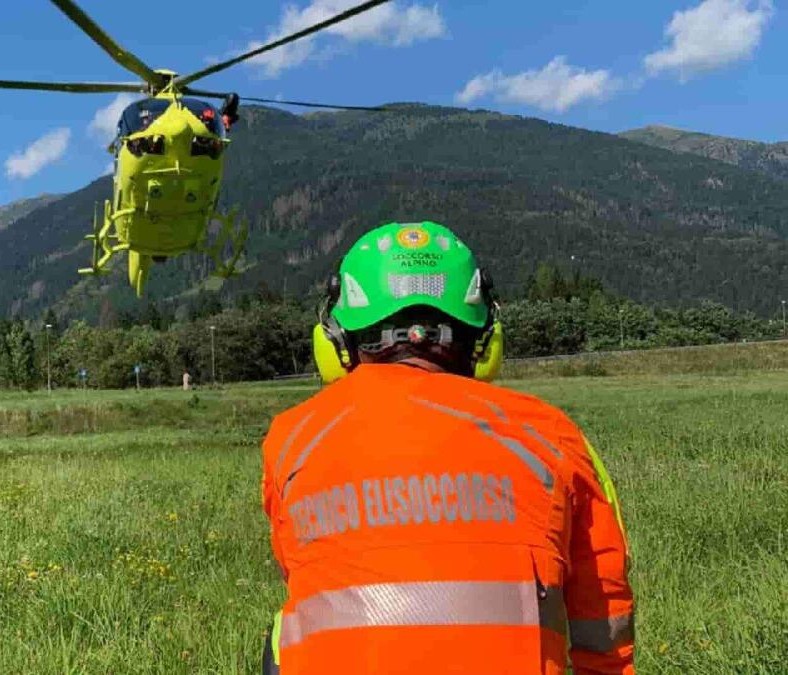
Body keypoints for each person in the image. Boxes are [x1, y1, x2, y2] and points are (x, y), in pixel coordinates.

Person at [260, 221, 634, 674]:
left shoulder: (291, 439)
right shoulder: (553, 435)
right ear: (485, 337)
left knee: (286, 633)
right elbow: (605, 609)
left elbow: (299, 569)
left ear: (338, 340)